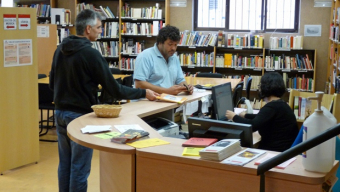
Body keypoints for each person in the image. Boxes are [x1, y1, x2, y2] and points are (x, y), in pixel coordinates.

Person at [49, 9, 159, 192]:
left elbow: (53, 83)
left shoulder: (59, 49)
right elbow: (115, 90)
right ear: (88, 29)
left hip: (59, 113)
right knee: (79, 168)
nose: (101, 31)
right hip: (80, 118)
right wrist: (142, 93)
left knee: (65, 164)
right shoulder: (91, 54)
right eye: (99, 28)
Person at [225, 72, 299, 152]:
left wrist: (234, 117)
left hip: (274, 152)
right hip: (284, 150)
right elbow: (263, 118)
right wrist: (246, 115)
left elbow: (252, 126)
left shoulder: (271, 107)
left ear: (265, 87)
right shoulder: (281, 105)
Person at [133, 25, 194, 95]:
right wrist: (166, 91)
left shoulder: (174, 58)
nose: (173, 48)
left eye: (175, 45)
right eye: (170, 44)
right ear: (160, 42)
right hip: (148, 102)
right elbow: (139, 84)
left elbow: (180, 80)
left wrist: (186, 87)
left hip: (168, 100)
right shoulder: (145, 56)